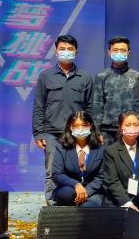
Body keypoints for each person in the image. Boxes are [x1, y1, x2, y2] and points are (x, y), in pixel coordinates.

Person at [32, 34, 93, 202]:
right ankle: (52, 207)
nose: (66, 52)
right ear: (56, 51)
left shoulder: (85, 77)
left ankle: (75, 204)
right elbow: (39, 106)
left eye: (70, 49)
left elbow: (90, 108)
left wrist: (92, 132)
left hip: (78, 133)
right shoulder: (45, 76)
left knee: (78, 170)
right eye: (62, 49)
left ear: (76, 52)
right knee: (52, 171)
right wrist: (38, 133)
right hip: (51, 133)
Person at [102, 111, 139, 237]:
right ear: (120, 127)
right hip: (120, 197)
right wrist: (127, 203)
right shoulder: (110, 151)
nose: (132, 128)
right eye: (128, 125)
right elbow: (112, 182)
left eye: (135, 124)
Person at [49, 111, 105, 208]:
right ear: (70, 127)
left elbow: (101, 177)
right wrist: (76, 185)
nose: (80, 129)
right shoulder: (61, 148)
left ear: (90, 126)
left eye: (84, 125)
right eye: (76, 126)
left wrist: (86, 192)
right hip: (70, 188)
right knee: (66, 194)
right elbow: (57, 174)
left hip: (92, 191)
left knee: (89, 207)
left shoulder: (100, 149)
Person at [91, 36, 139, 142]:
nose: (119, 53)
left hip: (130, 129)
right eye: (116, 50)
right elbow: (97, 105)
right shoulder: (101, 76)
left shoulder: (137, 77)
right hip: (106, 131)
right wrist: (97, 131)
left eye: (123, 50)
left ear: (128, 53)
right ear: (109, 52)